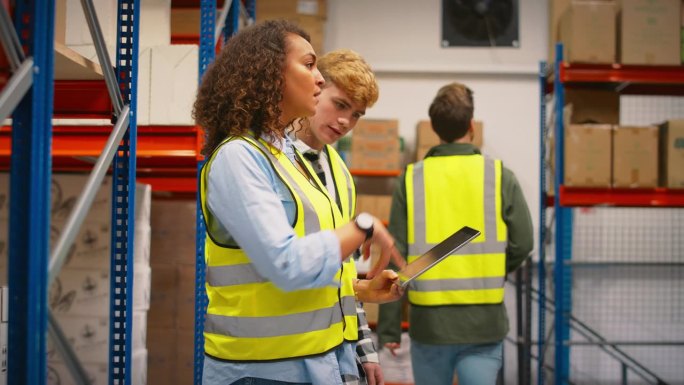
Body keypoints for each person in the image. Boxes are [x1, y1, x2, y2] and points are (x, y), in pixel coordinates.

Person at [193, 20, 405, 385]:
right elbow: (286, 264)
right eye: (309, 65)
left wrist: (358, 298)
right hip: (262, 369)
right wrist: (364, 226)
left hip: (318, 359)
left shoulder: (294, 160)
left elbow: (325, 265)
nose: (319, 78)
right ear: (269, 73)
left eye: (357, 113)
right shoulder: (239, 157)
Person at [376, 82, 534, 385]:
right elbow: (523, 243)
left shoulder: (411, 179)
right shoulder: (499, 175)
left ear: (434, 128)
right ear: (471, 125)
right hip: (484, 326)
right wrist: (492, 269)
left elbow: (393, 257)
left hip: (430, 326)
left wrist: (389, 329)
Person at [289, 49, 384, 385]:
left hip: (335, 352)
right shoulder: (270, 159)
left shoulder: (340, 172)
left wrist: (363, 348)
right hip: (284, 354)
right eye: (340, 104)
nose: (346, 121)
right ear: (315, 88)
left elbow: (340, 270)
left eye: (356, 114)